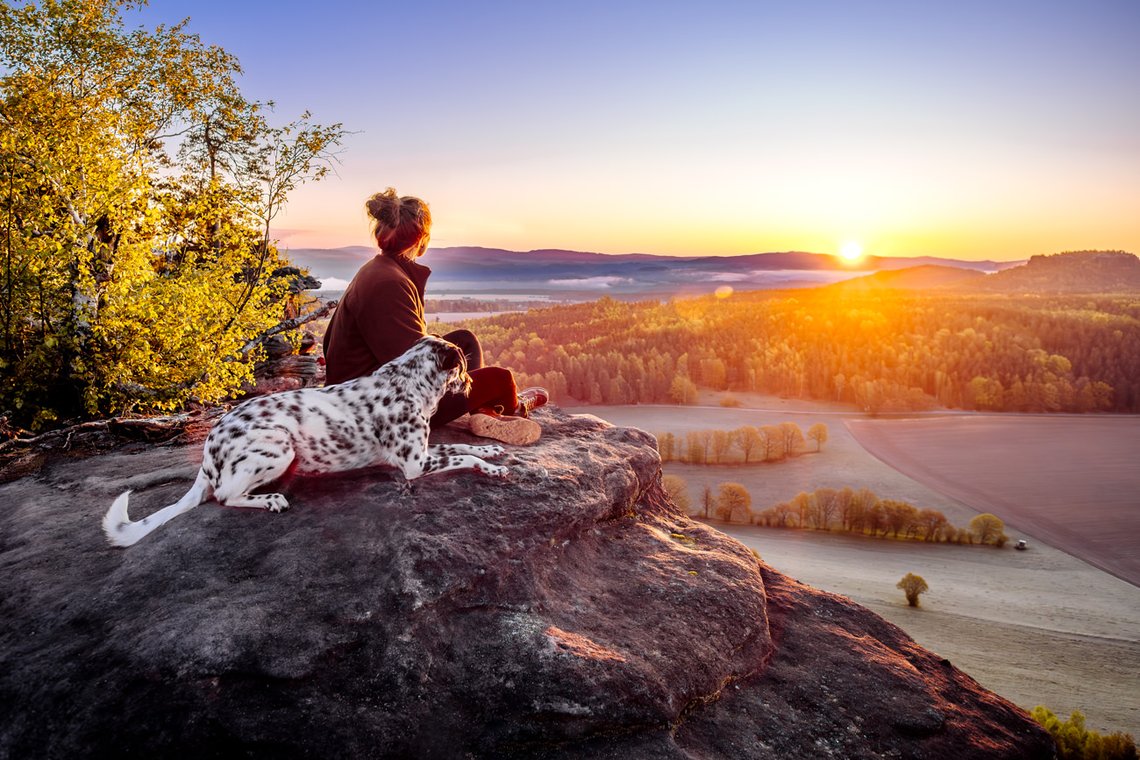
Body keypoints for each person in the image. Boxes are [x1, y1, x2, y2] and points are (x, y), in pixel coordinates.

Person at [322, 188, 547, 445]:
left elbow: (397, 348)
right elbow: (413, 368)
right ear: (422, 239)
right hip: (377, 413)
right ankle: (512, 408)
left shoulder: (380, 270)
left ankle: (485, 412)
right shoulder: (388, 283)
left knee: (464, 341)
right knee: (501, 380)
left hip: (365, 392)